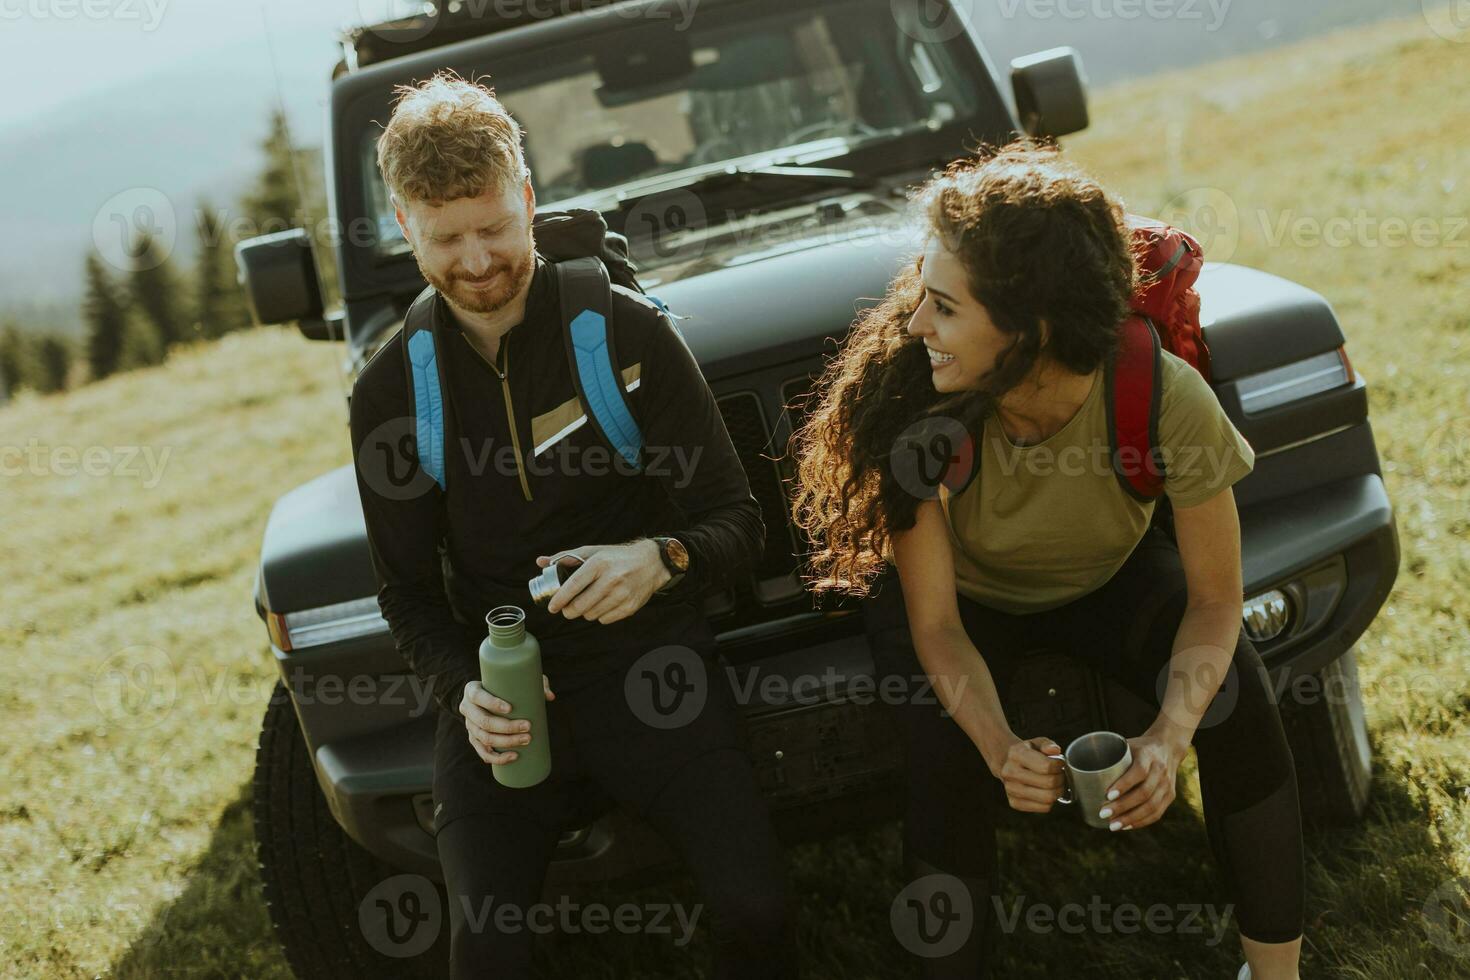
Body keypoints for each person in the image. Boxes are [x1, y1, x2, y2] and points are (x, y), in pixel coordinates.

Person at [790, 139, 1304, 980]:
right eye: (923, 294)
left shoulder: (1165, 395)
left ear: (1026, 330)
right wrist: (999, 748)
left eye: (945, 308)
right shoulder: (919, 414)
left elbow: (1215, 602)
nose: (916, 323)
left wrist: (1169, 739)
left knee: (1235, 696)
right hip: (966, 600)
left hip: (1107, 576)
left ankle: (1276, 973)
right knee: (943, 767)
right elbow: (938, 625)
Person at [350, 71, 796, 979]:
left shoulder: (626, 331)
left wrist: (661, 559)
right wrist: (459, 691)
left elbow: (739, 520)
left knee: (758, 909)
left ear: (527, 197)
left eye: (494, 229)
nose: (475, 262)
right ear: (404, 225)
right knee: (484, 949)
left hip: (650, 664)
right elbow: (404, 594)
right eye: (444, 239)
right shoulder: (392, 389)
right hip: (504, 689)